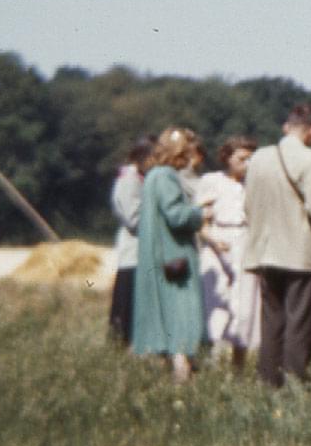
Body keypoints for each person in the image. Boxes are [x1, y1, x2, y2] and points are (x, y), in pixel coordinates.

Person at [241, 103, 311, 388]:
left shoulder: (258, 158)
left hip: (264, 250)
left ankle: (268, 381)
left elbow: (247, 204)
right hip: (299, 252)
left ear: (286, 127)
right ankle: (295, 383)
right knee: (299, 322)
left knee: (271, 321)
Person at [131, 126, 211, 383]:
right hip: (174, 257)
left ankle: (170, 375)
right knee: (182, 315)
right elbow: (176, 215)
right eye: (188, 152)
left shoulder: (153, 175)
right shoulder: (167, 176)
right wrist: (201, 213)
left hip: (159, 255)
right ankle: (182, 375)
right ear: (180, 152)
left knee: (168, 315)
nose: (191, 158)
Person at [196, 134, 262, 372]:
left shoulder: (253, 185)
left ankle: (238, 366)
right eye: (242, 159)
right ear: (227, 158)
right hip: (218, 243)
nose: (247, 164)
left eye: (250, 159)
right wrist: (213, 241)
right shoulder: (212, 181)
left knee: (243, 307)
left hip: (245, 242)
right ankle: (210, 364)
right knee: (215, 305)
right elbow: (200, 221)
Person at [107, 133, 155, 346]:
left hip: (145, 253)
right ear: (143, 156)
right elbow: (133, 218)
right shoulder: (129, 179)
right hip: (133, 253)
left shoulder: (142, 178)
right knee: (127, 307)